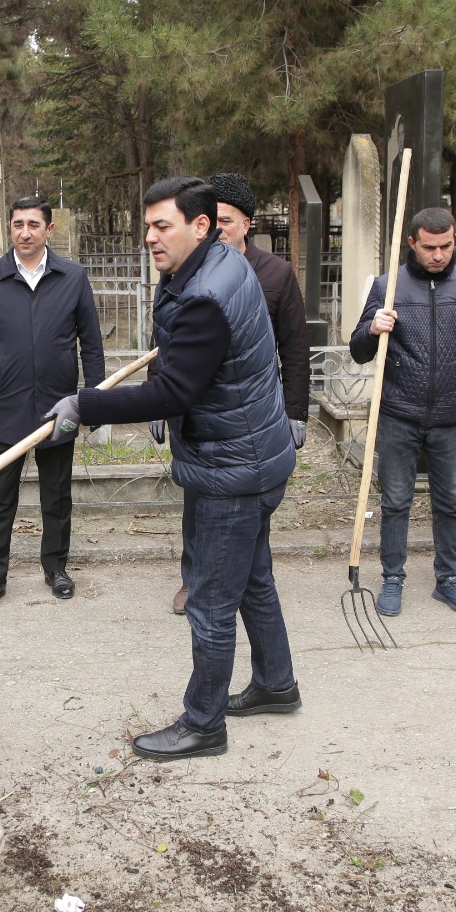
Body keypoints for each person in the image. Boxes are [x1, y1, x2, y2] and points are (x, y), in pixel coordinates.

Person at [44, 176, 298, 762]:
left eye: (163, 226)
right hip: (254, 455)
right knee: (253, 579)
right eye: (148, 227)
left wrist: (85, 404)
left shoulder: (205, 295)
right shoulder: (221, 263)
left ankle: (203, 724)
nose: (151, 238)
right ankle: (276, 683)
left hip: (231, 469)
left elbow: (175, 392)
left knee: (210, 601)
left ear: (200, 226)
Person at [166, 172, 311, 615]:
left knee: (249, 508)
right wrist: (160, 396)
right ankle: (193, 578)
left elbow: (295, 348)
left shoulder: (276, 274)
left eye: (225, 220)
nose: (217, 228)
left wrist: (296, 411)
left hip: (254, 417)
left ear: (247, 223)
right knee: (197, 503)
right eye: (211, 220)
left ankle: (248, 578)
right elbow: (167, 340)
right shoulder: (189, 269)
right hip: (199, 413)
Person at [0, 196, 105, 613]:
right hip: (6, 408)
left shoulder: (72, 278)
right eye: (18, 224)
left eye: (33, 224)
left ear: (48, 229)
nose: (25, 232)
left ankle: (56, 568)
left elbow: (91, 345)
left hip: (60, 409)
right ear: (10, 227)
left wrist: (96, 400)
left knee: (56, 496)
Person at [350, 207, 456, 618]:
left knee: (449, 501)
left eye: (446, 246)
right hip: (399, 414)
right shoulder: (388, 286)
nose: (438, 255)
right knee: (396, 501)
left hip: (452, 417)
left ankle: (448, 579)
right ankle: (393, 577)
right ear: (412, 243)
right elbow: (359, 351)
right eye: (430, 247)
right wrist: (372, 328)